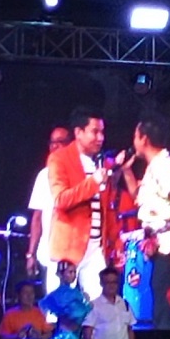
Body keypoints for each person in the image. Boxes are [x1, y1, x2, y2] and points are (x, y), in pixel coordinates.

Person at [121, 112, 170, 329]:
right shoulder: (154, 167)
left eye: (135, 136)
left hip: (168, 248)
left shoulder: (164, 167)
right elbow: (139, 198)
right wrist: (126, 170)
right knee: (159, 303)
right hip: (157, 246)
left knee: (164, 310)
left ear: (144, 139)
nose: (133, 141)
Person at [47, 107, 112, 300]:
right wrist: (93, 182)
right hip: (69, 248)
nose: (100, 138)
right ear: (78, 132)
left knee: (100, 308)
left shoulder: (100, 162)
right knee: (62, 309)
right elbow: (61, 199)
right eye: (95, 132)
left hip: (96, 247)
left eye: (102, 132)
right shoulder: (59, 159)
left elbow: (105, 208)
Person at [26, 125, 73, 292]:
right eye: (52, 143)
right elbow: (37, 217)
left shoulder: (79, 173)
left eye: (60, 142)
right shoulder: (43, 175)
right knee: (54, 301)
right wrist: (30, 253)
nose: (54, 146)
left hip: (76, 251)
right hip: (52, 251)